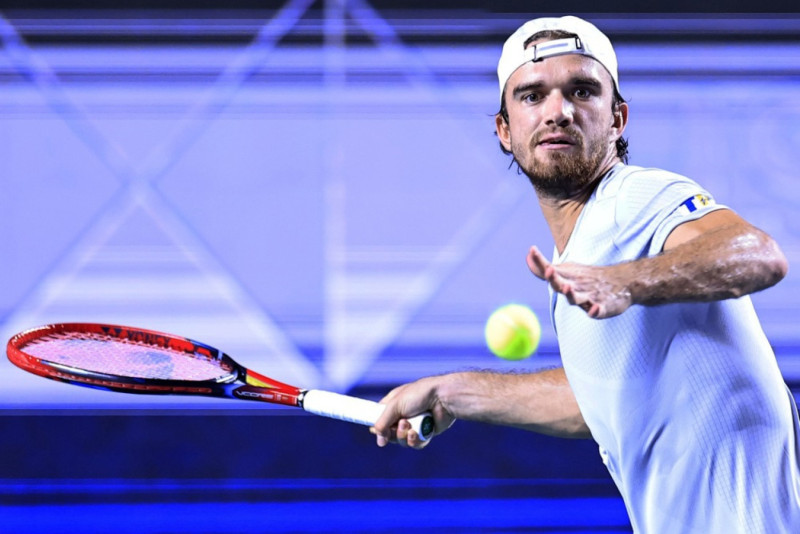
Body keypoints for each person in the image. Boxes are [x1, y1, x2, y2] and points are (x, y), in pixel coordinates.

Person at [371, 15, 800, 533]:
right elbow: (593, 404)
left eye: (581, 91)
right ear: (505, 130)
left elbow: (759, 254)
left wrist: (627, 282)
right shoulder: (577, 265)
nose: (558, 111)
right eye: (533, 96)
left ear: (617, 120)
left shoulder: (634, 197)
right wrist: (450, 391)